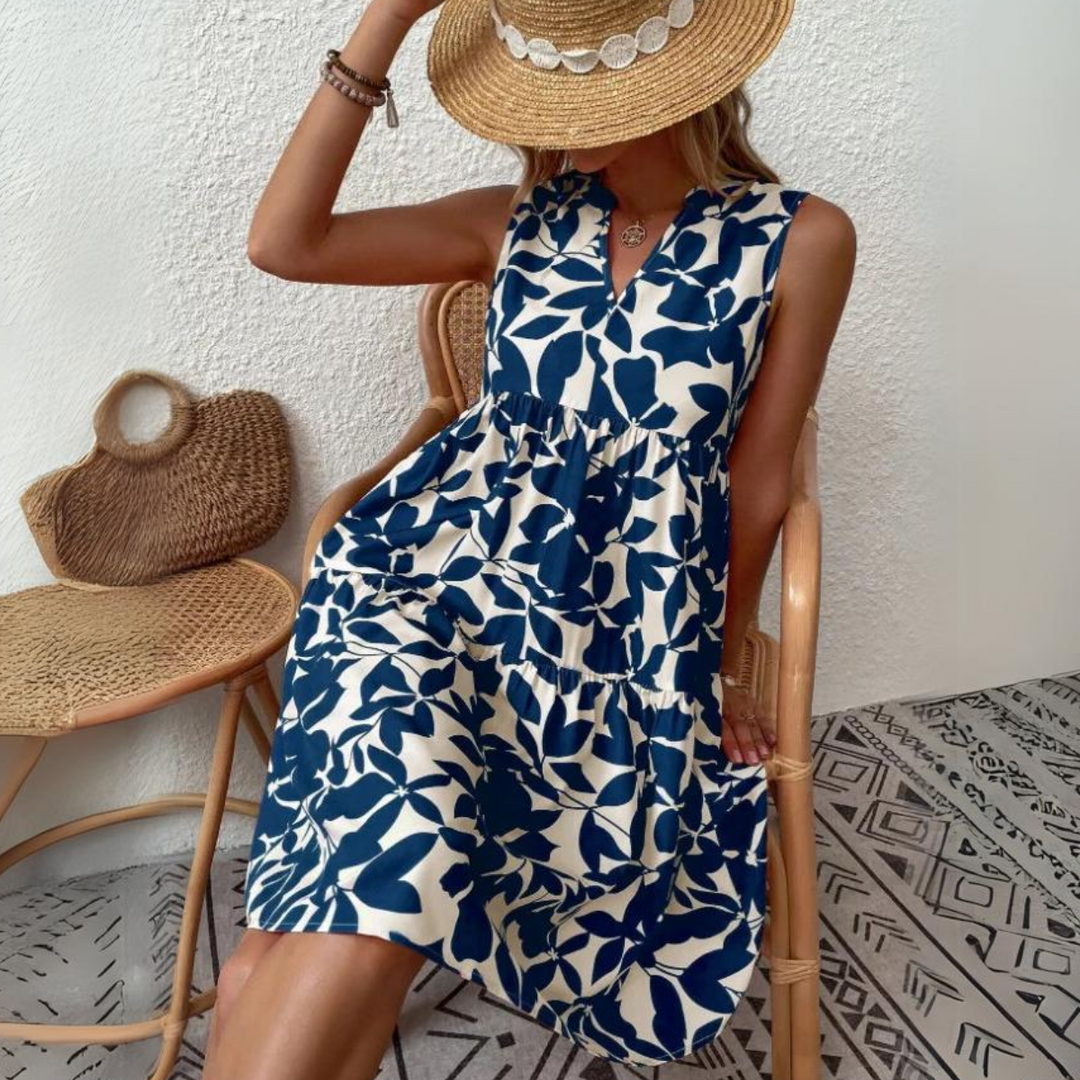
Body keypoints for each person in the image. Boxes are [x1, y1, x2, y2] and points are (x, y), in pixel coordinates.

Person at [204, 0, 855, 1076]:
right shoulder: (514, 219)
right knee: (391, 842)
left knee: (352, 909)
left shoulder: (802, 238)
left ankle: (254, 986)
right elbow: (285, 242)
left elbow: (762, 473)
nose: (552, 118)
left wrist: (719, 653)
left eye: (581, 83)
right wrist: (384, 22)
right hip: (422, 586)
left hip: (603, 642)